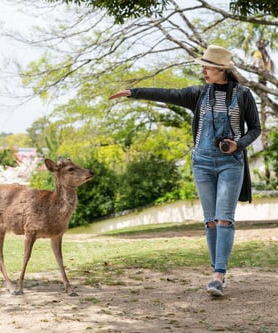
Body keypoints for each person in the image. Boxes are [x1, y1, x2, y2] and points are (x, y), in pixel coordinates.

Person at [109, 45, 261, 296]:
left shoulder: (243, 94)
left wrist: (238, 144)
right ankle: (217, 271)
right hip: (201, 163)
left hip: (230, 164)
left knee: (224, 219)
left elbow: (255, 129)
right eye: (203, 66)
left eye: (208, 67)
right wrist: (133, 92)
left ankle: (218, 275)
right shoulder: (198, 94)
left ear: (222, 70)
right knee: (210, 221)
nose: (204, 70)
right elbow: (168, 94)